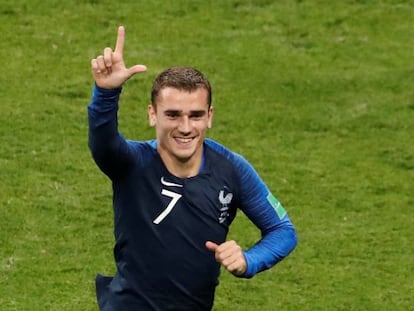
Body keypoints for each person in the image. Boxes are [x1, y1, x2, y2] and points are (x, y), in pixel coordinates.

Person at [88, 26, 297, 311]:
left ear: (209, 116)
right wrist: (106, 94)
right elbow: (104, 144)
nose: (185, 128)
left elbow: (282, 230)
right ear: (153, 114)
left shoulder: (231, 170)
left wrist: (249, 260)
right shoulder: (132, 163)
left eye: (196, 115)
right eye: (173, 115)